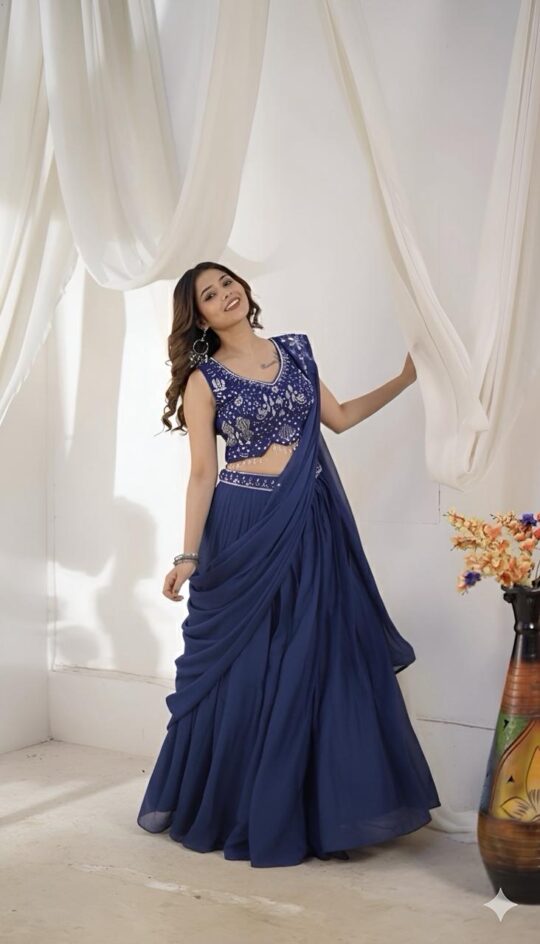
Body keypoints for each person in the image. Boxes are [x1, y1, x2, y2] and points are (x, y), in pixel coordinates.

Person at [137, 261, 441, 868]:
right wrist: (188, 555)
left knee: (316, 655)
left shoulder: (297, 352)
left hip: (309, 517)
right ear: (200, 317)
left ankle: (320, 810)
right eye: (209, 295)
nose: (225, 295)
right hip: (244, 524)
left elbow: (340, 418)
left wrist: (405, 380)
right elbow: (202, 473)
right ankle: (241, 805)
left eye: (228, 283)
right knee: (251, 664)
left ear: (243, 289)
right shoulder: (203, 380)